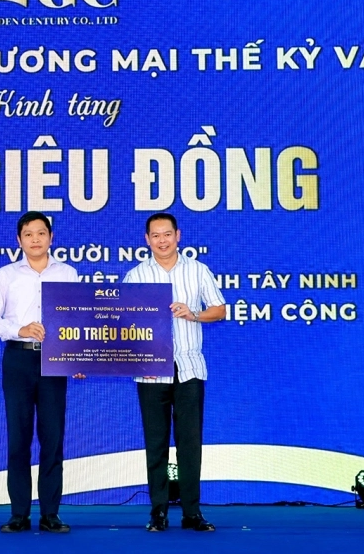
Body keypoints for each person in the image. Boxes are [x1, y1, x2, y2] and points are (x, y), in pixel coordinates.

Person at [123, 212, 226, 532]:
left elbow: (220, 309)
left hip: (189, 369)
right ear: (147, 240)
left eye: (167, 234)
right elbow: (121, 324)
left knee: (189, 444)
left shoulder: (198, 270)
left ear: (178, 235)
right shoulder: (136, 275)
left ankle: (192, 513)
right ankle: (158, 512)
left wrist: (193, 314)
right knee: (155, 444)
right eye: (155, 235)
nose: (162, 240)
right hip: (150, 373)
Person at [0, 211, 79, 534]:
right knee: (18, 438)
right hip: (18, 360)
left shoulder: (67, 273)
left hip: (55, 361)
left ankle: (51, 514)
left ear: (51, 237)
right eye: (28, 234)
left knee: (53, 438)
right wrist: (19, 329)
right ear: (19, 240)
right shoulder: (6, 275)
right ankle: (19, 514)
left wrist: (78, 358)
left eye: (41, 233)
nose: (35, 239)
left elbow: (78, 320)